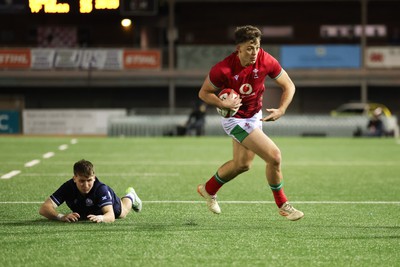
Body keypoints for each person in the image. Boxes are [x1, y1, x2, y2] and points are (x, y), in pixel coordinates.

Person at [197, 25, 304, 221]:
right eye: (249, 48)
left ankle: (208, 188)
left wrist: (282, 109)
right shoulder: (224, 69)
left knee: (242, 165)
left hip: (254, 115)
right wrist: (222, 102)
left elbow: (289, 85)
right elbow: (203, 93)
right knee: (274, 157)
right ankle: (283, 205)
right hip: (235, 119)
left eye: (257, 46)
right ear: (238, 48)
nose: (254, 52)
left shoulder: (265, 59)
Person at [39, 159, 142, 223]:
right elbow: (44, 209)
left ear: (94, 177)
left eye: (89, 180)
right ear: (74, 178)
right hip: (89, 210)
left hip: (108, 207)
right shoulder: (68, 187)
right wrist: (60, 217)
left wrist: (101, 218)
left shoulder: (101, 188)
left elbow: (110, 216)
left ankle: (131, 196)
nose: (86, 185)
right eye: (82, 181)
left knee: (122, 213)